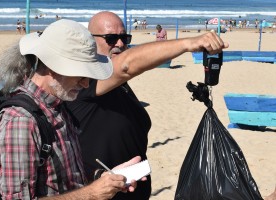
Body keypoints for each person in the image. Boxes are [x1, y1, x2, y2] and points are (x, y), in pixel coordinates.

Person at [65, 11, 228, 200]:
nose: (119, 44)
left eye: (124, 38)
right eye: (111, 38)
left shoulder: (119, 86)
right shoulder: (84, 80)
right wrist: (188, 44)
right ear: (90, 42)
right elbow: (126, 65)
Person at [0, 19, 141, 199]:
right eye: (81, 75)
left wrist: (103, 180)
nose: (86, 84)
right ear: (53, 68)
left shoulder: (57, 104)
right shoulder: (21, 121)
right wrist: (92, 193)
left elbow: (64, 180)